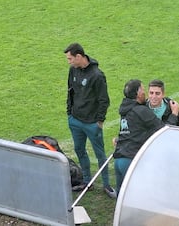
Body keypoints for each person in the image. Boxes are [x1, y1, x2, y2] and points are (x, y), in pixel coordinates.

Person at [64, 43, 116, 198]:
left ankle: (107, 185)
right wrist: (69, 113)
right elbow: (70, 91)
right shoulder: (73, 70)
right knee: (79, 149)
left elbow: (104, 100)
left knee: (100, 154)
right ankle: (87, 181)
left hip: (92, 123)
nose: (69, 62)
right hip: (75, 120)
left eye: (70, 58)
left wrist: (99, 121)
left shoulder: (97, 75)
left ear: (79, 56)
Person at [113, 79, 179, 194]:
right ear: (138, 94)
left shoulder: (125, 109)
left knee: (121, 197)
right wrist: (174, 114)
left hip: (118, 160)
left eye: (157, 93)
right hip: (131, 159)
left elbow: (130, 131)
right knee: (137, 195)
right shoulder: (142, 111)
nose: (145, 94)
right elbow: (163, 130)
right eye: (144, 90)